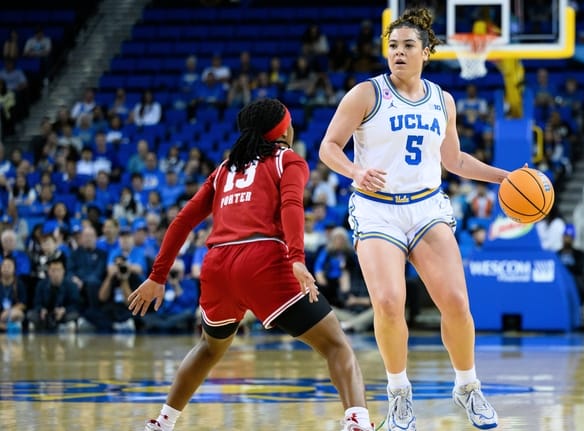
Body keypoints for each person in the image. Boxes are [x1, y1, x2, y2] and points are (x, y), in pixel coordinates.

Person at [127, 99, 373, 431]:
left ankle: (162, 423)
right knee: (336, 345)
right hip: (263, 261)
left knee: (209, 348)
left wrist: (157, 276)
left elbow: (182, 221)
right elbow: (291, 205)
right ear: (284, 129)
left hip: (216, 266)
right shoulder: (288, 159)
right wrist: (297, 259)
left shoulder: (224, 170)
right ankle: (358, 422)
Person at [318, 8, 503, 430]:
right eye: (393, 46)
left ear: (426, 52)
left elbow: (453, 159)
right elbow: (329, 147)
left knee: (456, 301)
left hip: (426, 206)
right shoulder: (366, 93)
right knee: (387, 302)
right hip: (376, 207)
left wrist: (504, 177)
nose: (398, 53)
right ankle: (399, 393)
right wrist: (355, 171)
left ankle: (467, 386)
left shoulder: (443, 100)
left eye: (408, 46)